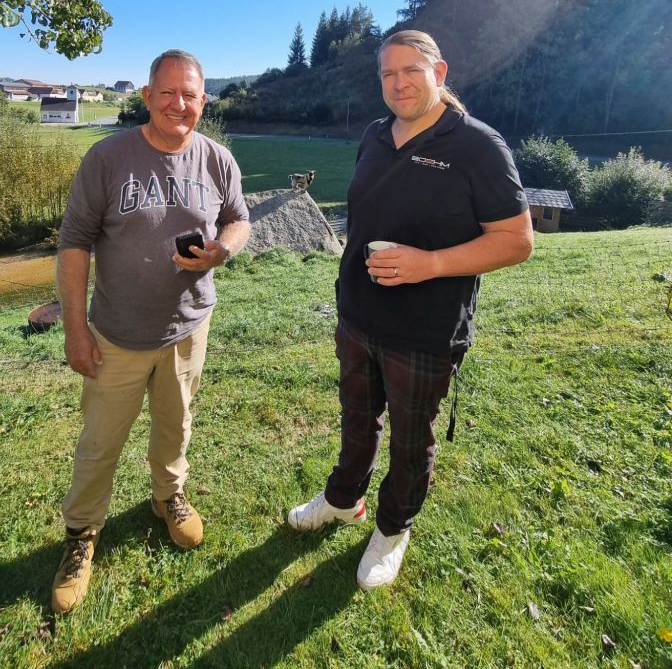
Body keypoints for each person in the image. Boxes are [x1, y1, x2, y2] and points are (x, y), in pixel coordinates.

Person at [287, 30, 533, 590]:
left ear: (439, 73)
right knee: (357, 417)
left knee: (410, 438)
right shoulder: (375, 135)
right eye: (387, 74)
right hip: (357, 315)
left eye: (410, 71)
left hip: (425, 329)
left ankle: (392, 529)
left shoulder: (478, 145)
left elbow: (517, 241)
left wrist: (431, 263)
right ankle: (343, 499)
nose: (398, 84)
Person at [51, 49, 250, 614]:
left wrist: (221, 251)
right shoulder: (108, 157)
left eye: (189, 95)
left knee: (176, 423)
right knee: (100, 442)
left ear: (203, 101)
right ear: (147, 96)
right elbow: (74, 244)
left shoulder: (217, 159)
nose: (178, 104)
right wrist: (75, 329)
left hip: (188, 326)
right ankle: (82, 533)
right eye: (167, 92)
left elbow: (238, 219)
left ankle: (169, 496)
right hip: (116, 333)